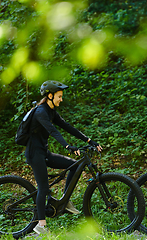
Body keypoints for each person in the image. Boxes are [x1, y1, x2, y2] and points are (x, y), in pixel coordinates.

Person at [24, 80, 103, 235]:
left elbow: (67, 127)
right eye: (59, 96)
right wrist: (68, 146)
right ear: (50, 96)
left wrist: (89, 140)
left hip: (44, 152)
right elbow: (53, 131)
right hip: (35, 153)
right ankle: (41, 226)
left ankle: (64, 202)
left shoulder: (52, 111)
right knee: (43, 188)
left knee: (74, 166)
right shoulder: (41, 112)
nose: (61, 99)